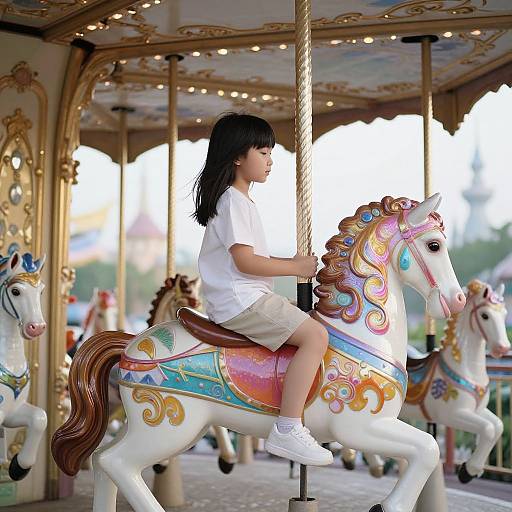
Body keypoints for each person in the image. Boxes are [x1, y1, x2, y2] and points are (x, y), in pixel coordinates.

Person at [192, 112, 332, 466]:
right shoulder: (233, 201)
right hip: (241, 300)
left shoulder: (238, 200)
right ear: (239, 156)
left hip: (244, 296)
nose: (271, 160)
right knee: (315, 337)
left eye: (271, 152)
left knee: (314, 322)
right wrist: (295, 267)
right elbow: (246, 262)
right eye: (264, 152)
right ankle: (287, 426)